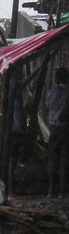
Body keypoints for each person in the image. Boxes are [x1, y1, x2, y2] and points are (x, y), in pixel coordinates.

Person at [46, 67, 69, 198]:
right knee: (64, 160)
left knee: (53, 159)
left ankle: (50, 191)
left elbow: (48, 106)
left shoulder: (51, 92)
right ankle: (61, 192)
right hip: (66, 129)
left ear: (56, 79)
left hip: (53, 129)